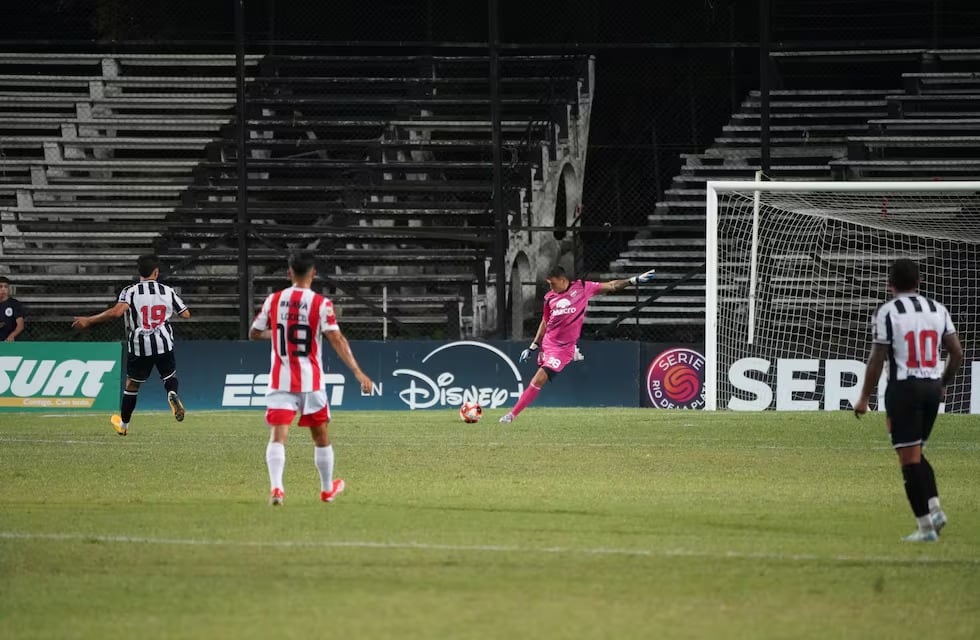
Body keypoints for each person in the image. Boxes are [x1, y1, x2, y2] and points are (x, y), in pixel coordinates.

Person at [249, 251, 373, 506]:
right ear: (313, 273)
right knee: (321, 436)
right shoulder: (321, 304)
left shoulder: (274, 300)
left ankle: (277, 489)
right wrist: (358, 372)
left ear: (289, 273)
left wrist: (278, 336)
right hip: (311, 382)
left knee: (278, 436)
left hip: (280, 380)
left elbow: (254, 333)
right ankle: (327, 490)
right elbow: (336, 339)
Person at [854, 258, 962, 542]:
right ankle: (935, 509)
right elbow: (957, 353)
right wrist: (942, 384)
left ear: (890, 285)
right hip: (930, 388)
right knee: (916, 452)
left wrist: (864, 397)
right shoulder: (937, 309)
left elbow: (877, 359)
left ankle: (926, 528)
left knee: (909, 459)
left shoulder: (887, 313)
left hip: (904, 389)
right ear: (919, 283)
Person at [499, 264, 656, 423]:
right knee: (540, 373)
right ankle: (561, 354)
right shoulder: (549, 298)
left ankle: (511, 415)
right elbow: (545, 321)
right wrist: (533, 346)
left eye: (552, 283)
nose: (550, 287)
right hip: (549, 343)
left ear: (562, 280)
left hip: (562, 349)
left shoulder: (582, 287)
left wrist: (633, 280)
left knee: (539, 378)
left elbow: (611, 285)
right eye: (549, 284)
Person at [72, 255, 190, 436]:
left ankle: (124, 426)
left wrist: (89, 320)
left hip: (139, 346)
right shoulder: (167, 291)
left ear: (139, 272)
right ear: (156, 272)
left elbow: (116, 313)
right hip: (163, 342)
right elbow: (186, 314)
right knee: (169, 375)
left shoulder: (130, 291)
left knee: (132, 385)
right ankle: (172, 393)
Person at [0, 276, 26, 342]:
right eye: (0, 287)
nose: (3, 289)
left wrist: (12, 335)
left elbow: (20, 325)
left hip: (8, 340)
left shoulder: (15, 304)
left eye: (6, 287)